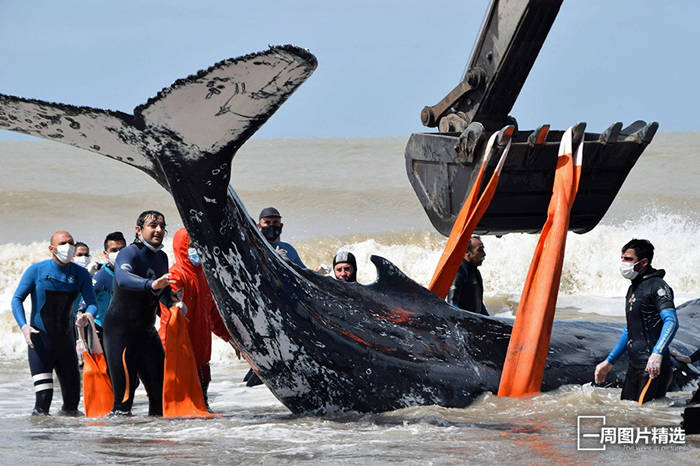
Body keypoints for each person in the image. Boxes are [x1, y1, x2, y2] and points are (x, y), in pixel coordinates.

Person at [80, 211, 173, 415]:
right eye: (153, 225)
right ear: (139, 230)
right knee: (124, 401)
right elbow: (123, 278)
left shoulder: (162, 257)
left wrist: (174, 301)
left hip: (147, 332)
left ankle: (153, 443)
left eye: (162, 226)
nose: (159, 230)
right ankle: (118, 445)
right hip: (121, 334)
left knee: (160, 395)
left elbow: (163, 292)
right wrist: (151, 284)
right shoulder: (129, 253)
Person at [11, 230, 98, 415]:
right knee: (43, 401)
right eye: (63, 243)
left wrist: (86, 316)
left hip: (66, 344)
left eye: (71, 243)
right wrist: (24, 326)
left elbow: (92, 303)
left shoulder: (81, 274)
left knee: (72, 404)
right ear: (52, 248)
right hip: (40, 342)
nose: (69, 247)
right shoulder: (36, 271)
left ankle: (64, 441)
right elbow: (17, 299)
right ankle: (39, 442)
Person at [594, 239, 679, 403]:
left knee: (645, 418)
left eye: (628, 259)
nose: (623, 263)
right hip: (635, 367)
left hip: (653, 367)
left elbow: (671, 321)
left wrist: (657, 352)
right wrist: (609, 361)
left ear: (644, 262)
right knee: (628, 413)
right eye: (622, 258)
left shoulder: (658, 286)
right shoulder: (633, 288)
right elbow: (630, 329)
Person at [164, 228, 233, 408]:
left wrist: (229, 338)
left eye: (199, 244)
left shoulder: (204, 275)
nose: (198, 249)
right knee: (182, 405)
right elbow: (167, 311)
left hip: (202, 351)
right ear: (181, 247)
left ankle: (200, 430)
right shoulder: (176, 275)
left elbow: (213, 315)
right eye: (193, 245)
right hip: (181, 351)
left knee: (202, 403)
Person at [446, 235, 489, 316]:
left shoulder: (476, 272)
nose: (484, 254)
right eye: (480, 250)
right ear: (466, 252)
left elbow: (479, 303)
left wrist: (490, 321)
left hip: (475, 322)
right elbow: (452, 305)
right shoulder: (459, 272)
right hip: (464, 324)